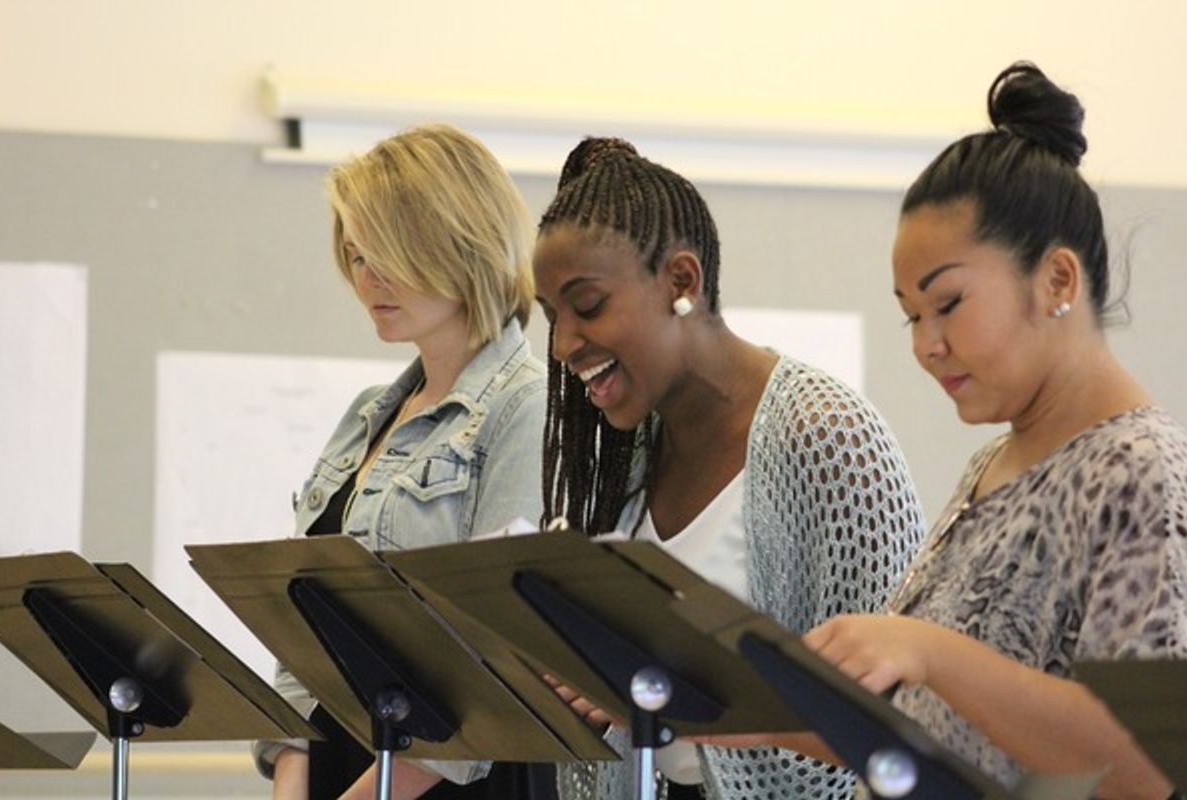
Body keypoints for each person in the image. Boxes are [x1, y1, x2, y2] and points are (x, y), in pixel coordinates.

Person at [739, 63, 1187, 800]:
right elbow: (915, 729)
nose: (925, 344)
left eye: (948, 304)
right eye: (912, 315)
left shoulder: (1140, 469)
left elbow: (1141, 766)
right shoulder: (995, 460)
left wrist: (930, 651)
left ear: (1058, 282)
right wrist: (705, 695)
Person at [532, 136, 927, 800]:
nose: (564, 343)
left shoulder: (827, 437)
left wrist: (672, 691)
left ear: (682, 283)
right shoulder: (623, 458)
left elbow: (895, 722)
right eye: (551, 317)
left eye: (588, 306)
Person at [254, 124, 551, 800]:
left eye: (387, 254)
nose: (368, 280)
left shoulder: (525, 410)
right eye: (356, 256)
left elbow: (496, 663)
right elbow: (301, 627)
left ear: (461, 244)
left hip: (451, 782)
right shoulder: (367, 413)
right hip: (343, 767)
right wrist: (293, 779)